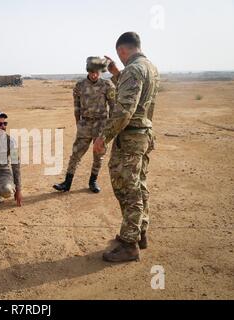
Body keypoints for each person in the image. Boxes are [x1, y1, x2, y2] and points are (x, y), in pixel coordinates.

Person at [93, 32, 160, 262]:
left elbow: (124, 110)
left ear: (122, 50)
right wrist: (115, 74)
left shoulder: (134, 69)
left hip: (130, 138)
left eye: (119, 56)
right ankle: (140, 233)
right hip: (143, 135)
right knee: (139, 185)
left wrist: (104, 137)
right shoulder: (149, 67)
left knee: (127, 188)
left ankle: (129, 244)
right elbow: (134, 94)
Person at [54, 57, 115, 193]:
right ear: (88, 71)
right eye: (92, 72)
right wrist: (78, 122)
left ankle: (93, 181)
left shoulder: (107, 85)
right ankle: (67, 183)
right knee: (76, 154)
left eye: (97, 72)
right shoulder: (80, 86)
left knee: (98, 154)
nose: (94, 75)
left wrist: (109, 127)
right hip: (85, 124)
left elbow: (113, 106)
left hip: (101, 124)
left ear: (100, 72)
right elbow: (76, 106)